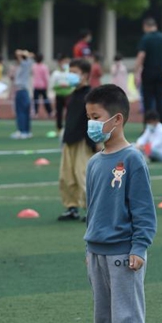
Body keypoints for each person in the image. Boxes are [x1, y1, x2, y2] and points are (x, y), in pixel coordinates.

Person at [80, 84, 156, 323]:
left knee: (126, 316)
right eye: (89, 117)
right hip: (96, 252)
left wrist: (139, 248)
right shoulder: (95, 162)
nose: (91, 124)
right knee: (104, 318)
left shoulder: (133, 160)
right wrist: (89, 247)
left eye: (96, 117)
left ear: (117, 119)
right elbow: (93, 209)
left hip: (123, 254)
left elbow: (144, 211)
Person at [57, 59, 97, 221]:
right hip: (70, 140)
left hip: (83, 141)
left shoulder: (91, 95)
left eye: (75, 72)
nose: (70, 76)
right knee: (66, 176)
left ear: (85, 75)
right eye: (70, 72)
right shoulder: (73, 94)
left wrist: (95, 141)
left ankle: (93, 210)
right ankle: (71, 207)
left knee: (83, 176)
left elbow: (94, 120)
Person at [135, 18, 162, 124]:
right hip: (160, 72)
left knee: (148, 101)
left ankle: (148, 125)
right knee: (161, 101)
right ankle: (161, 124)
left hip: (148, 72)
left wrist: (136, 73)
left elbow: (141, 55)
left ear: (146, 26)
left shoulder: (146, 38)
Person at [12, 49, 34, 139]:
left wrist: (23, 53)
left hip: (21, 90)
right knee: (24, 111)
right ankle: (26, 131)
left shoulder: (25, 64)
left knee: (21, 111)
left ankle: (22, 131)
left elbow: (18, 53)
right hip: (23, 90)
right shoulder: (25, 65)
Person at [51, 54, 75, 133]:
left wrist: (68, 86)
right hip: (59, 95)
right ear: (60, 62)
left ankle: (69, 128)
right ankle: (59, 129)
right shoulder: (55, 73)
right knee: (59, 113)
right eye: (65, 62)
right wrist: (60, 86)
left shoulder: (70, 72)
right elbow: (52, 85)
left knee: (70, 112)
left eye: (67, 62)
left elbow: (73, 83)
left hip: (69, 95)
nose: (66, 63)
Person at [32, 53, 52, 119]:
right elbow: (46, 77)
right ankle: (49, 112)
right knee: (44, 100)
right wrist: (47, 85)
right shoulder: (44, 67)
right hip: (42, 86)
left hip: (38, 86)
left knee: (38, 100)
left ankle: (37, 113)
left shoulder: (34, 66)